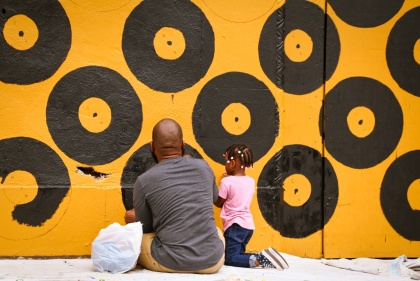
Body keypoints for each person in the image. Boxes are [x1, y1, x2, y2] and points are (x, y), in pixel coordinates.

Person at [124, 118, 225, 273]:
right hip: (213, 262)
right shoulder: (204, 166)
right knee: (217, 232)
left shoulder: (143, 181)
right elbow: (213, 197)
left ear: (152, 147)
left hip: (169, 261)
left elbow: (145, 228)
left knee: (135, 237)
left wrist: (134, 219)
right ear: (183, 145)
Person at [213, 144, 289, 270]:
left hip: (234, 226)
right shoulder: (250, 181)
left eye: (226, 161)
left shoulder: (226, 182)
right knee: (239, 255)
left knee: (230, 258)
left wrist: (212, 189)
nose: (225, 165)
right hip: (248, 227)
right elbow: (239, 191)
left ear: (232, 163)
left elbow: (219, 203)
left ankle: (261, 259)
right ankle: (266, 257)